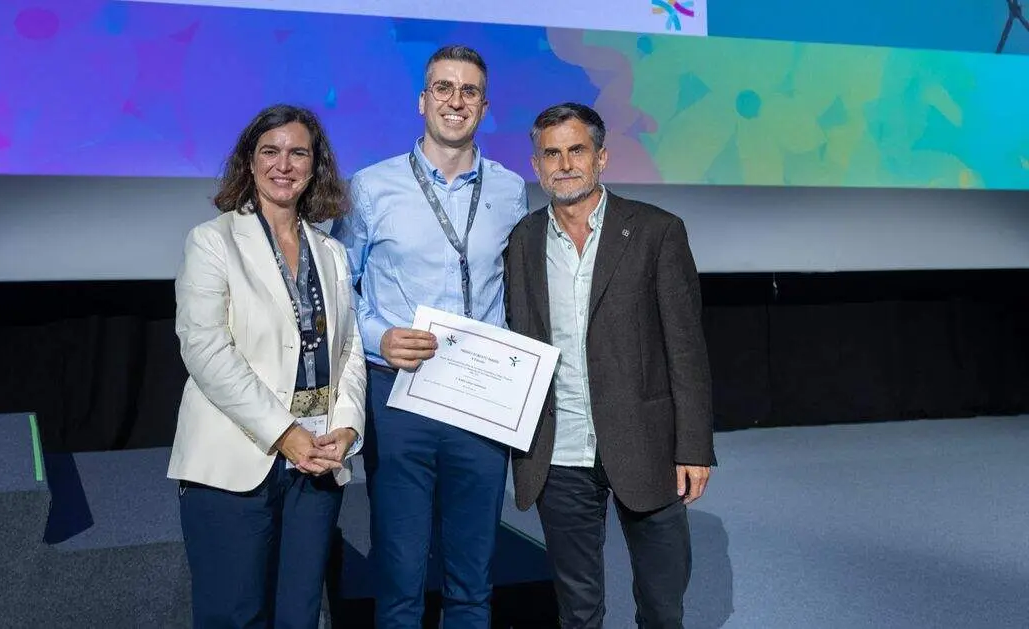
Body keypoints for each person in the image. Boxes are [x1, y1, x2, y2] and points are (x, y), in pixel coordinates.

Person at [331, 45, 528, 628]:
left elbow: (514, 288)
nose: (455, 101)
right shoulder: (371, 187)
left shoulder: (510, 190)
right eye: (443, 87)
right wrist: (379, 338)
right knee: (400, 578)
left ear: (485, 107)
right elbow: (341, 288)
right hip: (399, 395)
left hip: (481, 398)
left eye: (469, 91)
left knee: (473, 580)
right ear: (422, 101)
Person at [504, 103, 716, 629]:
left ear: (601, 157)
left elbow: (686, 349)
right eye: (551, 153)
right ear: (536, 165)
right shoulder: (522, 241)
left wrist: (693, 446)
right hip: (559, 450)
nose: (564, 164)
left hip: (648, 445)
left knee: (662, 607)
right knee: (577, 611)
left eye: (577, 150)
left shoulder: (656, 231)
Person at [167, 104, 367, 629]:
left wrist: (347, 427)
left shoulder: (332, 252)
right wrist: (284, 433)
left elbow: (348, 349)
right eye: (270, 151)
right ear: (249, 161)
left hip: (317, 461)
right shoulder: (212, 241)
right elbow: (206, 350)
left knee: (299, 617)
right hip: (237, 461)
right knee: (235, 617)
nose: (284, 164)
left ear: (315, 165)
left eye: (298, 153)